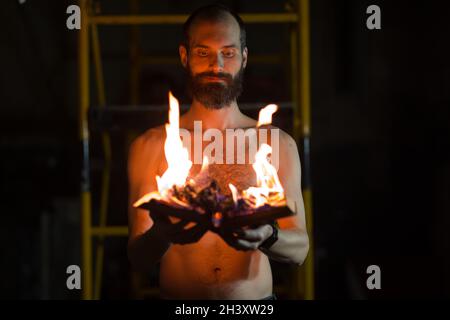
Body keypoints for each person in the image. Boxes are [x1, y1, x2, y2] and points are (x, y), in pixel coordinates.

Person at [127, 4, 309, 299]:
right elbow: (138, 256)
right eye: (203, 52)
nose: (217, 65)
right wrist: (163, 234)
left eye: (228, 52)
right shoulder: (151, 146)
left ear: (244, 57)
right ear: (185, 56)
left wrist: (268, 235)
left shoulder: (277, 144)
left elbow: (300, 249)